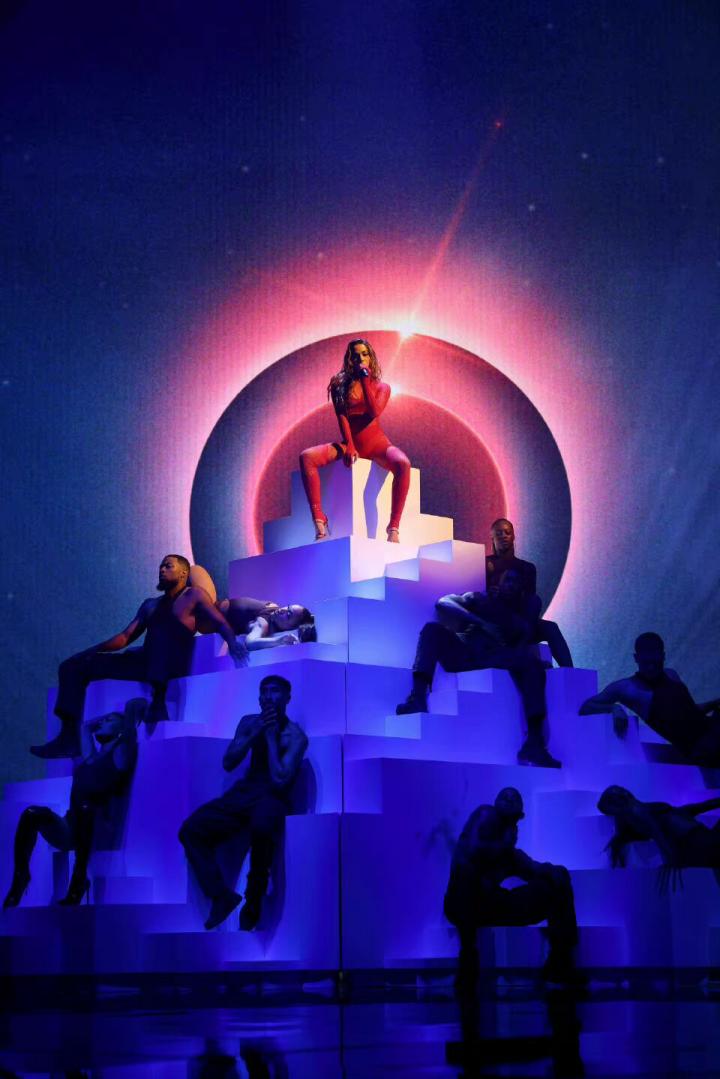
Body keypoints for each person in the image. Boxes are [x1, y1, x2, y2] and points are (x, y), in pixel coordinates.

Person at [32, 555, 248, 760]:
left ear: (183, 573)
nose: (162, 570)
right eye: (161, 566)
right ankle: (69, 737)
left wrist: (232, 641)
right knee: (72, 666)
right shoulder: (150, 605)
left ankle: (158, 702)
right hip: (146, 662)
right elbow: (125, 637)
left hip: (173, 664)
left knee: (161, 638)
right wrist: (90, 652)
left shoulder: (193, 596)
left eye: (168, 566)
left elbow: (219, 622)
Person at [178, 675, 308, 931]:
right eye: (264, 691)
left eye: (275, 691)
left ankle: (254, 897)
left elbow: (280, 780)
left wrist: (270, 738)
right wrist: (254, 734)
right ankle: (221, 896)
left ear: (287, 698)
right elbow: (228, 762)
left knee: (262, 826)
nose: (268, 697)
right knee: (191, 829)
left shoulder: (295, 737)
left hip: (273, 796)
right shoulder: (249, 722)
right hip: (245, 791)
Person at [396, 569, 561, 768]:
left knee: (531, 665)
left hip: (494, 658)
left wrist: (535, 659)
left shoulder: (519, 622)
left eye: (516, 581)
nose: (511, 584)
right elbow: (443, 602)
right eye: (507, 579)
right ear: (499, 584)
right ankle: (417, 698)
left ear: (521, 590)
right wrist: (478, 621)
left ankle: (535, 742)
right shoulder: (479, 599)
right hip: (465, 653)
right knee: (432, 629)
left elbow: (524, 646)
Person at [4, 701, 141, 908]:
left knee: (86, 809)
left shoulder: (120, 753)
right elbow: (85, 727)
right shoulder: (91, 757)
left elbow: (130, 730)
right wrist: (102, 721)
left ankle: (78, 883)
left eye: (109, 720)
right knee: (31, 814)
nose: (102, 722)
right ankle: (20, 878)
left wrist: (127, 715)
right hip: (72, 826)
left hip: (98, 827)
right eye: (103, 719)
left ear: (121, 729)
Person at [444, 788, 580, 986]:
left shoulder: (511, 856)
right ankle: (468, 956)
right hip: (463, 905)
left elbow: (536, 869)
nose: (513, 829)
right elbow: (472, 849)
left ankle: (560, 960)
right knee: (467, 881)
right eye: (506, 821)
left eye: (514, 822)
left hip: (491, 906)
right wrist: (502, 844)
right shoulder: (483, 821)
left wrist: (557, 872)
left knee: (555, 882)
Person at [298, 338, 411, 542]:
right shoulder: (339, 385)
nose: (360, 358)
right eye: (356, 355)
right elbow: (341, 415)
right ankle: (319, 519)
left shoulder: (382, 387)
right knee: (307, 457)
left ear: (371, 357)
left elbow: (374, 411)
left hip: (378, 445)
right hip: (350, 444)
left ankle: (393, 528)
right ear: (350, 359)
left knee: (403, 463)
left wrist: (365, 380)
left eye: (364, 354)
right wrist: (349, 444)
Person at [578, 632, 720, 765]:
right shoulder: (627, 688)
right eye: (646, 663)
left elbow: (691, 712)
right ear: (636, 658)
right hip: (701, 748)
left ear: (663, 657)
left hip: (711, 733)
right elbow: (586, 707)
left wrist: (715, 703)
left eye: (656, 663)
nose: (651, 668)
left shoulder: (671, 674)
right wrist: (614, 708)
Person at [486, 518, 573, 668]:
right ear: (492, 537)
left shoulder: (527, 568)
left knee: (549, 625)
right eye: (499, 533)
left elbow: (530, 601)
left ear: (513, 536)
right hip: (495, 623)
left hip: (521, 622)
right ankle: (519, 649)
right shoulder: (484, 564)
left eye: (507, 532)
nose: (504, 536)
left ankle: (570, 673)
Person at [597, 785, 720, 890]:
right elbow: (658, 829)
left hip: (694, 840)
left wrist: (672, 860)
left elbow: (657, 833)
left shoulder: (636, 811)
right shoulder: (636, 812)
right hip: (694, 837)